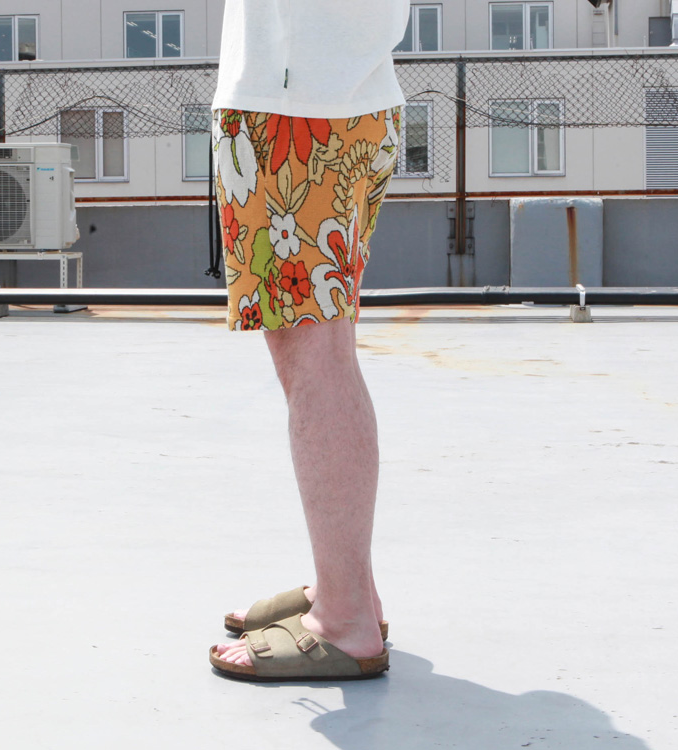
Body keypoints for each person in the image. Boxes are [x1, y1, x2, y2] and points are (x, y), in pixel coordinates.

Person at [208, 0, 411, 681]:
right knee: (326, 347)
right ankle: (347, 588)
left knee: (314, 356)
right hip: (344, 91)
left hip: (295, 105)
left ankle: (345, 618)